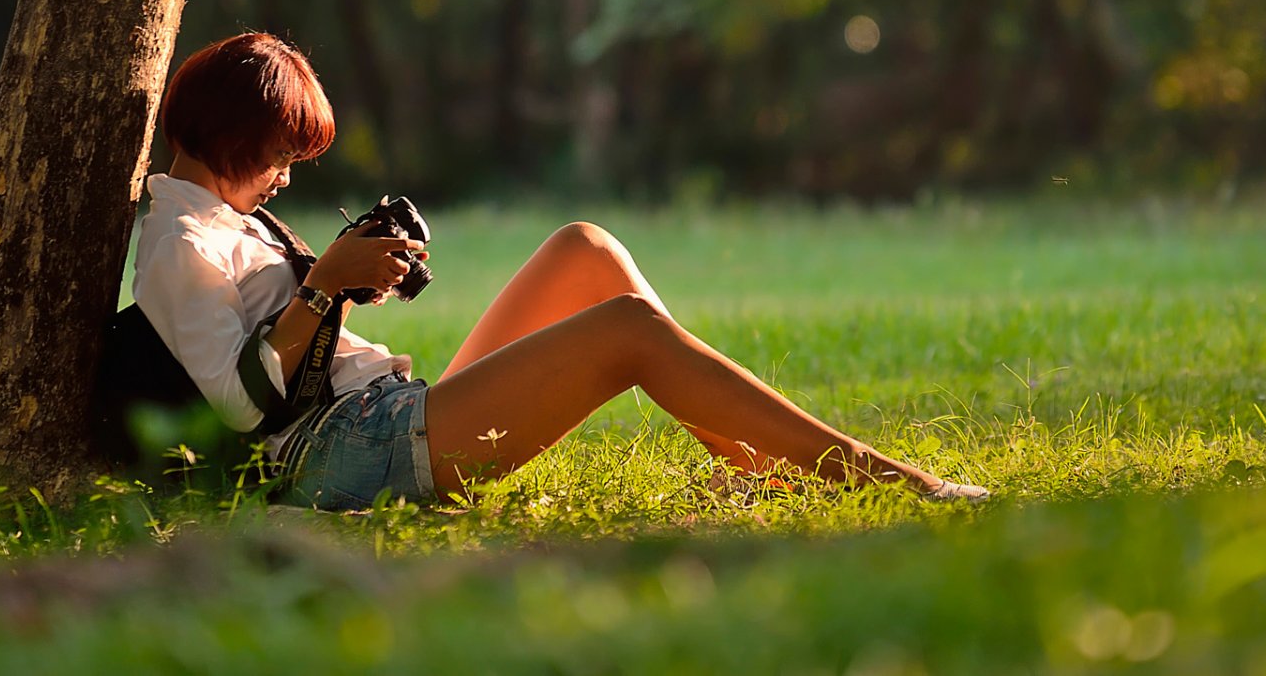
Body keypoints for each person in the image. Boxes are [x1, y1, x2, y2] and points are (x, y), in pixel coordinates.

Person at [133, 31, 988, 511]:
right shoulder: (179, 242)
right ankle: (891, 482)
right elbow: (240, 406)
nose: (284, 178)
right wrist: (324, 286)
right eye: (281, 156)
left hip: (382, 413)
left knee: (586, 248)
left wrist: (350, 284)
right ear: (233, 136)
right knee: (628, 334)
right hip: (342, 453)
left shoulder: (231, 221)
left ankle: (755, 465)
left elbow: (296, 343)